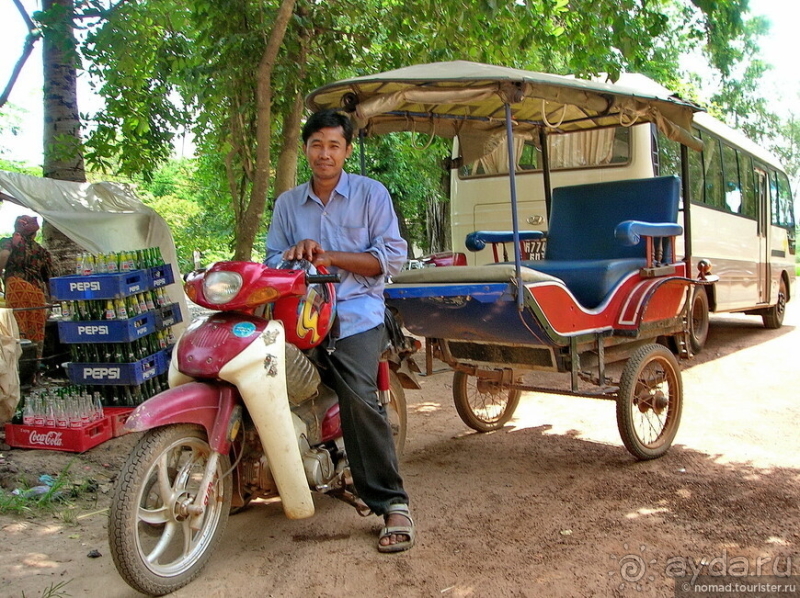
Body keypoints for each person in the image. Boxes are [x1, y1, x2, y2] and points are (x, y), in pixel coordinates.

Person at [266, 109, 415, 553]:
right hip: (300, 315)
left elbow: (390, 259)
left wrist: (330, 256)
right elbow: (271, 261)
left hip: (355, 311)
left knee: (356, 392)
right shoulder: (287, 204)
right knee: (264, 373)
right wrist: (294, 254)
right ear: (306, 149)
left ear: (347, 150)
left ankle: (392, 502)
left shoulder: (371, 194)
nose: (324, 153)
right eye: (316, 145)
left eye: (334, 145)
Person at [0, 215, 53, 359]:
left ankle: (18, 367)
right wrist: (53, 300)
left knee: (18, 330)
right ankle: (34, 370)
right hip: (37, 293)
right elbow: (49, 279)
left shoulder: (8, 242)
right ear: (35, 233)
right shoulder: (42, 251)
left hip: (17, 288)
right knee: (36, 332)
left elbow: (3, 256)